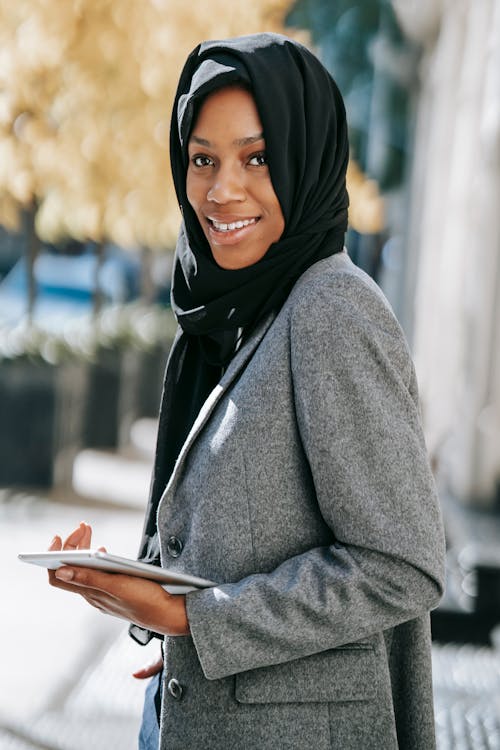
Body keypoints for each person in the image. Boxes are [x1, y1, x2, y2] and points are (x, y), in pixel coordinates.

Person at [48, 33, 446, 750]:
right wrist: (141, 593)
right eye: (203, 159)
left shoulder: (330, 309)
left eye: (256, 158)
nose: (221, 189)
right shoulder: (240, 314)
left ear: (304, 157)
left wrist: (194, 620)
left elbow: (403, 566)